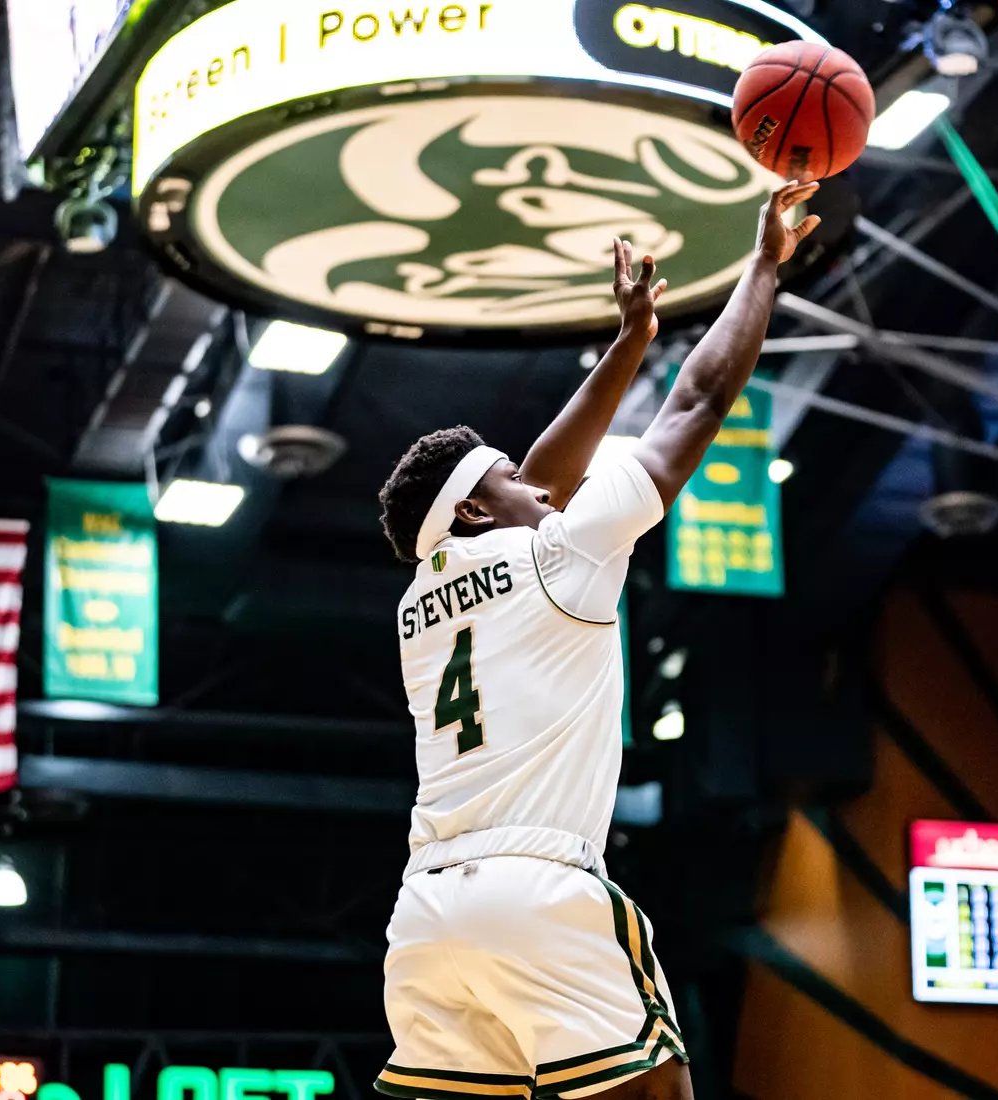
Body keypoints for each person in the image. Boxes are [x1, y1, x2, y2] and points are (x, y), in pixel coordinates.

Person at [371, 181, 821, 1100]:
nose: (542, 491)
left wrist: (629, 342)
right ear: (467, 509)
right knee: (660, 1089)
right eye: (508, 480)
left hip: (426, 916)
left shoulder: (424, 600)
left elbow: (538, 480)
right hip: (538, 893)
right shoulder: (557, 556)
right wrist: (763, 269)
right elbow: (698, 401)